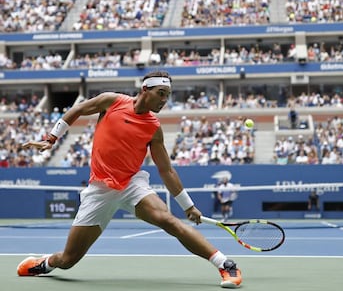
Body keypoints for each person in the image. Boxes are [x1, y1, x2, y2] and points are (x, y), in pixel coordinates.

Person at [17, 70, 242, 288]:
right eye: (160, 93)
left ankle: (225, 264)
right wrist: (51, 138)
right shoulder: (111, 101)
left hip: (132, 184)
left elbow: (167, 170)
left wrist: (188, 206)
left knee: (168, 220)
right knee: (68, 260)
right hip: (100, 189)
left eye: (167, 95)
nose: (164, 100)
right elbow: (77, 110)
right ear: (145, 89)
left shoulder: (154, 128)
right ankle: (44, 263)